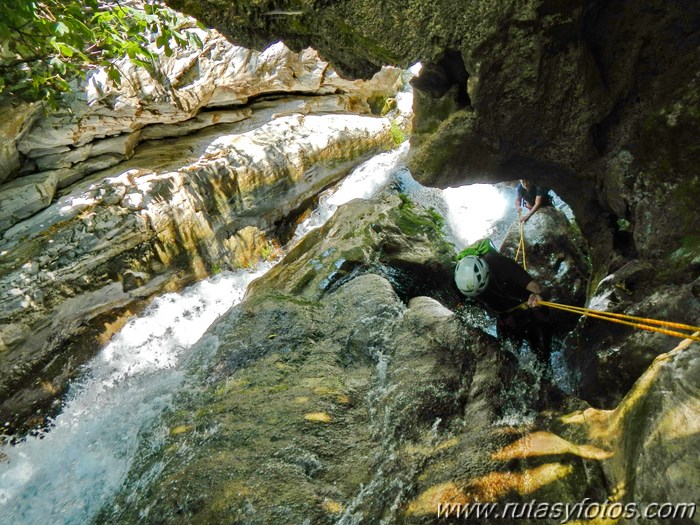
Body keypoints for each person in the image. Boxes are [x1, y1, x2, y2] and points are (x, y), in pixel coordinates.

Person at [454, 248, 552, 371]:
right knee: (505, 358)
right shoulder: (461, 281)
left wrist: (535, 296)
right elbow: (462, 304)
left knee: (542, 357)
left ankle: (545, 373)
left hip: (528, 308)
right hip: (505, 317)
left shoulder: (499, 264)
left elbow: (534, 286)